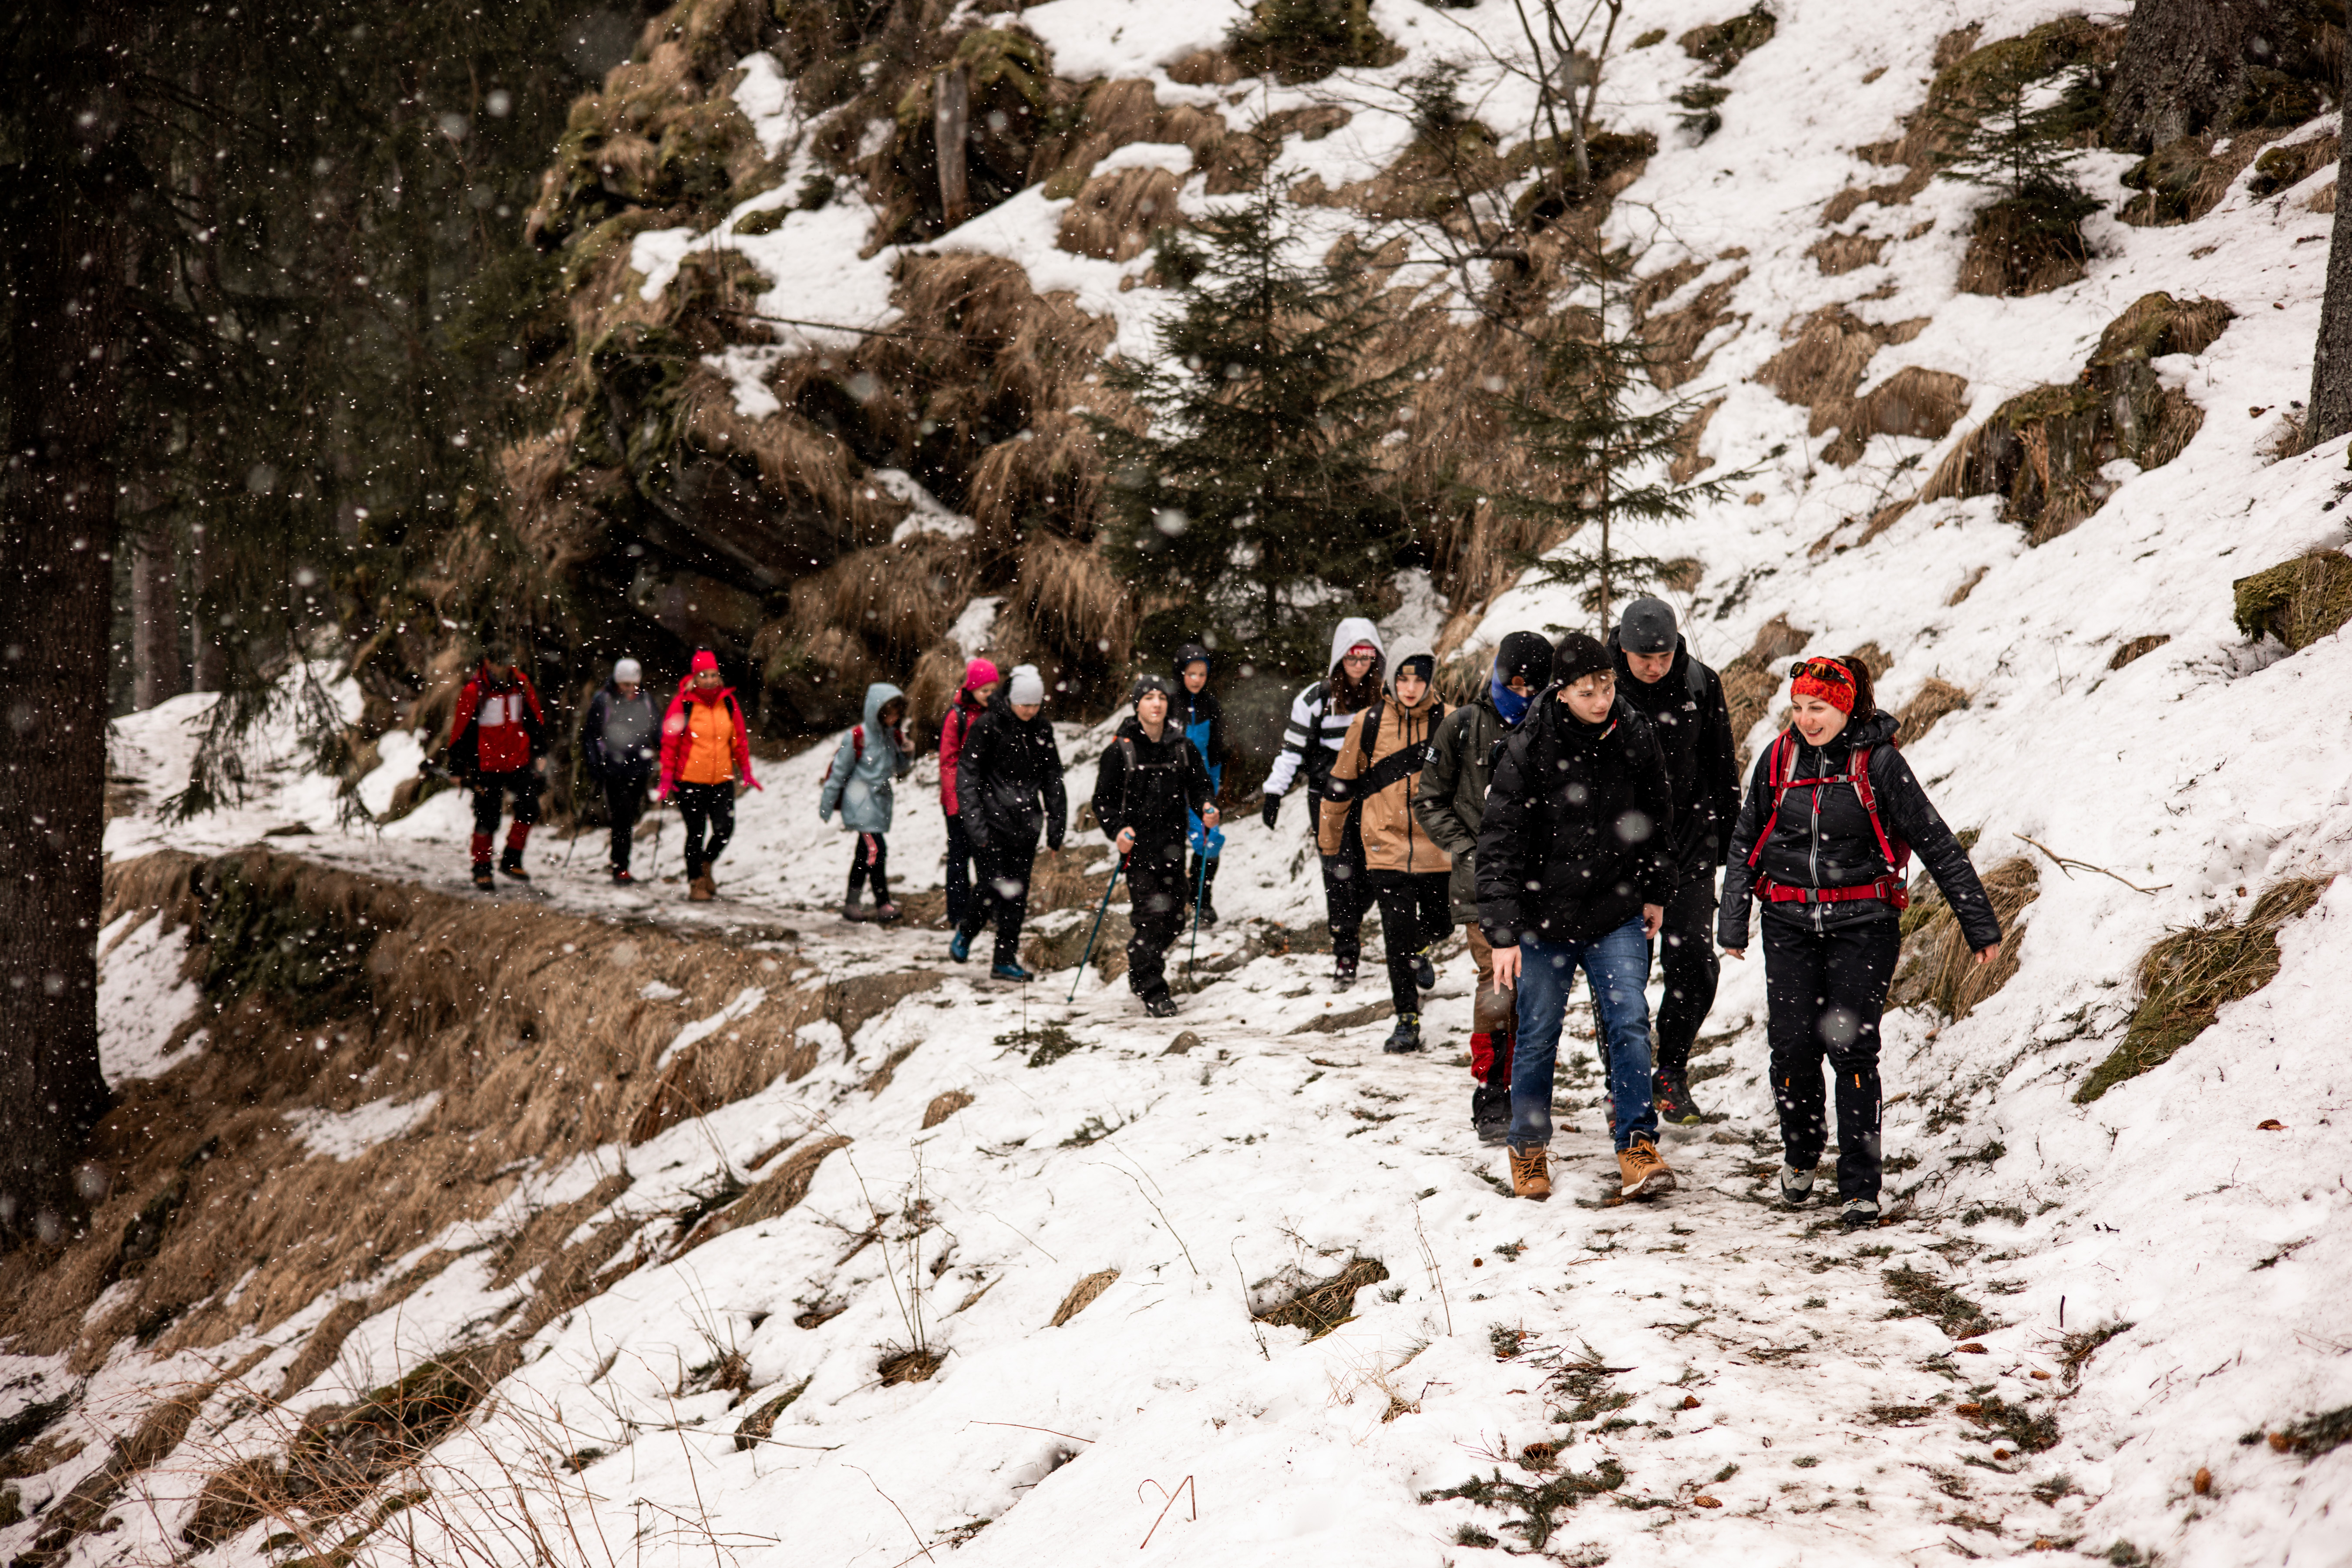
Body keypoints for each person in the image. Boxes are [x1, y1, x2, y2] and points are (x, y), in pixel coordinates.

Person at [1719, 654, 2002, 1230]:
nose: (1805, 718)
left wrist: (1978, 924)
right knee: (1792, 1046)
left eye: (1816, 707)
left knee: (1850, 1051)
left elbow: (1934, 841)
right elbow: (1745, 838)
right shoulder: (1777, 759)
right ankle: (1800, 1152)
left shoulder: (1878, 765)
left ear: (1843, 706)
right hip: (1787, 922)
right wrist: (1731, 920)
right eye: (1797, 707)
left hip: (1862, 926)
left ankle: (1857, 1187)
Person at [1477, 632, 1677, 1203]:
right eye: (1587, 690)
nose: (1601, 699)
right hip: (1543, 919)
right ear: (1561, 693)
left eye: (1607, 685)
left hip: (1614, 910)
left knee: (1629, 1020)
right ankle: (1527, 1147)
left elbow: (1658, 818)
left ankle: (1636, 1144)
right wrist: (1502, 932)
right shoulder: (1527, 747)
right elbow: (1499, 843)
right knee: (1538, 1031)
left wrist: (1655, 891)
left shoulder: (1633, 734)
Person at [1415, 631, 1555, 1141]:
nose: (1522, 693)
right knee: (1497, 982)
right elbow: (1429, 799)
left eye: (1532, 685)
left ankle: (1531, 1084)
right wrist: (1470, 849)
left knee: (1538, 988)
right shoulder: (1462, 726)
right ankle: (1493, 1089)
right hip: (1481, 887)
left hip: (1548, 883)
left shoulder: (1557, 725)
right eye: (1513, 682)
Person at [1609, 597, 1741, 1125]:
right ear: (1623, 647)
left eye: (1662, 654)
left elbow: (1721, 762)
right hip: (1618, 854)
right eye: (1643, 656)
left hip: (1687, 847)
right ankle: (1622, 1080)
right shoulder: (1600, 687)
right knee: (1621, 976)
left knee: (1696, 966)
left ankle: (1670, 1069)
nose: (1653, 665)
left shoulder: (1699, 683)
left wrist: (1729, 843)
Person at [1320, 637, 1449, 1053]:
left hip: (1436, 849)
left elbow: (1467, 784)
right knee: (1396, 934)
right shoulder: (1369, 722)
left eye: (1419, 679)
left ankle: (1422, 945)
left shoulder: (1449, 721)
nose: (1410, 688)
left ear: (1431, 681)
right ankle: (1406, 1018)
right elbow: (1341, 781)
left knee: (1441, 921)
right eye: (1403, 678)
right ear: (1391, 678)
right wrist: (1329, 839)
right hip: (1385, 848)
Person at [1260, 617, 1386, 990]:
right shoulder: (1315, 700)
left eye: (1366, 658)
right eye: (1352, 658)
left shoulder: (1385, 696)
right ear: (1339, 660)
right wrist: (1273, 791)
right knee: (1336, 873)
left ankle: (1353, 921)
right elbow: (1292, 749)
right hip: (1327, 796)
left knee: (1372, 872)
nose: (1359, 666)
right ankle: (1345, 953)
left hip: (1371, 794)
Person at [1092, 673, 1219, 1017]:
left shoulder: (1181, 746)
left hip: (1174, 849)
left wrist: (1206, 807)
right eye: (1148, 697)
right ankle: (1153, 991)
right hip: (1139, 853)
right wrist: (1117, 831)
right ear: (1137, 705)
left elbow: (1200, 786)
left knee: (1176, 918)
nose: (1156, 703)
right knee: (1152, 918)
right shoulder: (1121, 749)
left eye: (1161, 697)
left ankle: (1139, 960)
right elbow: (1102, 802)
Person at [951, 664, 1067, 981]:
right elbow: (967, 777)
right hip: (991, 825)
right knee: (991, 888)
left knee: (1016, 894)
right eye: (1024, 704)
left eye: (1035, 704)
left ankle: (1004, 959)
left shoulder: (1042, 731)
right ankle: (967, 931)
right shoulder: (988, 726)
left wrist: (1056, 827)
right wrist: (975, 825)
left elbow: (1052, 778)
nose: (1030, 710)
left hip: (1026, 826)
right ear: (1012, 700)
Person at [658, 650, 760, 902]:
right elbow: (670, 743)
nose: (710, 680)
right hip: (689, 780)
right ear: (695, 677)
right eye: (704, 676)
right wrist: (666, 779)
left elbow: (738, 739)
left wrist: (745, 769)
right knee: (696, 832)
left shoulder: (728, 702)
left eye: (714, 675)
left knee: (725, 829)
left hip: (722, 779)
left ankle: (706, 863)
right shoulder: (684, 703)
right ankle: (696, 883)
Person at [445, 641, 546, 890]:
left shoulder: (521, 685)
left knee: (530, 808)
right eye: (502, 664)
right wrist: (457, 768)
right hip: (486, 765)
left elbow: (534, 719)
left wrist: (541, 751)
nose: (507, 669)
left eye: (509, 663)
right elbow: (462, 732)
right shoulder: (474, 691)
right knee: (487, 819)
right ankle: (482, 867)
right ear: (488, 663)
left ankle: (512, 860)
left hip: (518, 761)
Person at [820, 682, 913, 922]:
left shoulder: (892, 735)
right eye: (889, 713)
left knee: (864, 855)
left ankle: (852, 905)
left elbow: (899, 768)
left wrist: (908, 752)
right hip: (860, 803)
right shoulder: (857, 737)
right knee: (876, 851)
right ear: (877, 711)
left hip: (879, 804)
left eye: (897, 713)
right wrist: (827, 804)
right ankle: (883, 904)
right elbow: (839, 772)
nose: (894, 718)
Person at [580, 657, 657, 885]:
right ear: (617, 682)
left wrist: (666, 751)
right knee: (622, 816)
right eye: (626, 685)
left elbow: (656, 729)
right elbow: (591, 736)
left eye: (634, 685)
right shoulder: (604, 701)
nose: (631, 690)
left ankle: (621, 862)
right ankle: (620, 866)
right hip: (613, 769)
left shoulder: (646, 701)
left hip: (640, 768)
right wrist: (595, 766)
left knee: (630, 814)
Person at [937, 657, 999, 931]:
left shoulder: (998, 714)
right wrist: (956, 804)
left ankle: (993, 910)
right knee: (960, 857)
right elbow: (949, 762)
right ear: (972, 688)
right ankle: (958, 913)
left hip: (990, 799)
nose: (989, 695)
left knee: (992, 858)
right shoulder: (957, 716)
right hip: (961, 801)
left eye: (993, 689)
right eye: (984, 690)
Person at [1172, 644, 1226, 926]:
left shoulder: (1211, 705)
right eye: (1191, 673)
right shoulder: (1167, 702)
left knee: (1209, 841)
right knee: (1170, 844)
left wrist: (1212, 788)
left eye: (1202, 674)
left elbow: (1217, 751)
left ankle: (1201, 898)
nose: (1196, 680)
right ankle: (1173, 899)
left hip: (1201, 785)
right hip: (1169, 785)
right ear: (1180, 673)